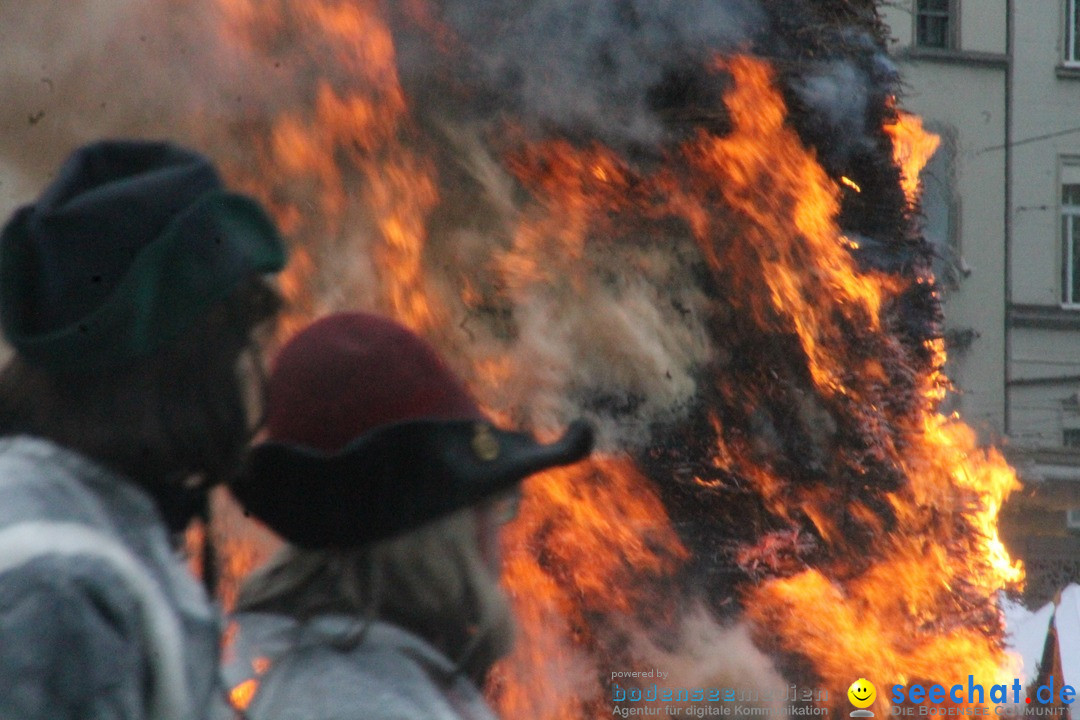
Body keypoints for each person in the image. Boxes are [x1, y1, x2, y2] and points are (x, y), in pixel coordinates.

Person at [0, 140, 287, 720]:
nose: (246, 368)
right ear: (185, 358)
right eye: (233, 339)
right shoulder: (64, 589)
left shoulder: (86, 534)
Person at [221, 311, 593, 720]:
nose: (500, 534)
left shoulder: (339, 685)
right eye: (496, 502)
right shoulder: (369, 706)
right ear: (443, 533)